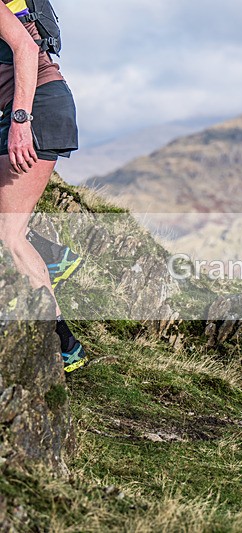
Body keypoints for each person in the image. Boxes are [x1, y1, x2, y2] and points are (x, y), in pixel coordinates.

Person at [0, 0, 85, 372]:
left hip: (34, 111)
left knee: (8, 237)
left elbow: (25, 46)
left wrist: (21, 121)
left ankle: (61, 343)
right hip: (19, 112)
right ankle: (52, 255)